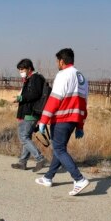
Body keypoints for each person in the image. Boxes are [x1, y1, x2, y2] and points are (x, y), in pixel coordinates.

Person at [35, 48, 90, 196]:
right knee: (60, 149)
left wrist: (43, 120)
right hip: (73, 119)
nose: (56, 64)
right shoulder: (81, 77)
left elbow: (54, 99)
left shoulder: (63, 75)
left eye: (57, 61)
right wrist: (80, 125)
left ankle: (79, 179)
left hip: (61, 119)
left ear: (61, 61)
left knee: (59, 149)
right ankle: (48, 177)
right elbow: (84, 104)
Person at [11, 58, 47, 172]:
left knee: (23, 137)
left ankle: (40, 158)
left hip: (30, 113)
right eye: (19, 70)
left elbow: (35, 94)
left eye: (22, 69)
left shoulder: (35, 78)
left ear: (29, 68)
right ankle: (22, 162)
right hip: (26, 112)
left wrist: (21, 98)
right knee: (26, 137)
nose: (20, 71)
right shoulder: (29, 79)